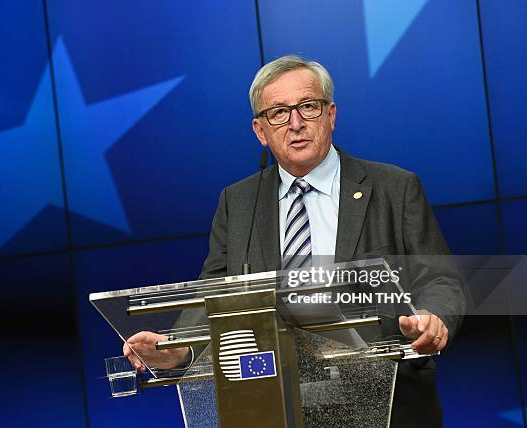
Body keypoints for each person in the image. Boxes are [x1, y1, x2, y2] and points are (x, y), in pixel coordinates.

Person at [124, 55, 465, 427]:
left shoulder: (394, 188)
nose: (296, 123)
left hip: (387, 402)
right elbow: (216, 293)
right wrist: (180, 347)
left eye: (308, 107)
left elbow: (440, 280)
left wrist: (435, 320)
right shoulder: (237, 203)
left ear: (331, 114)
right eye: (278, 113)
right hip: (275, 403)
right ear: (260, 130)